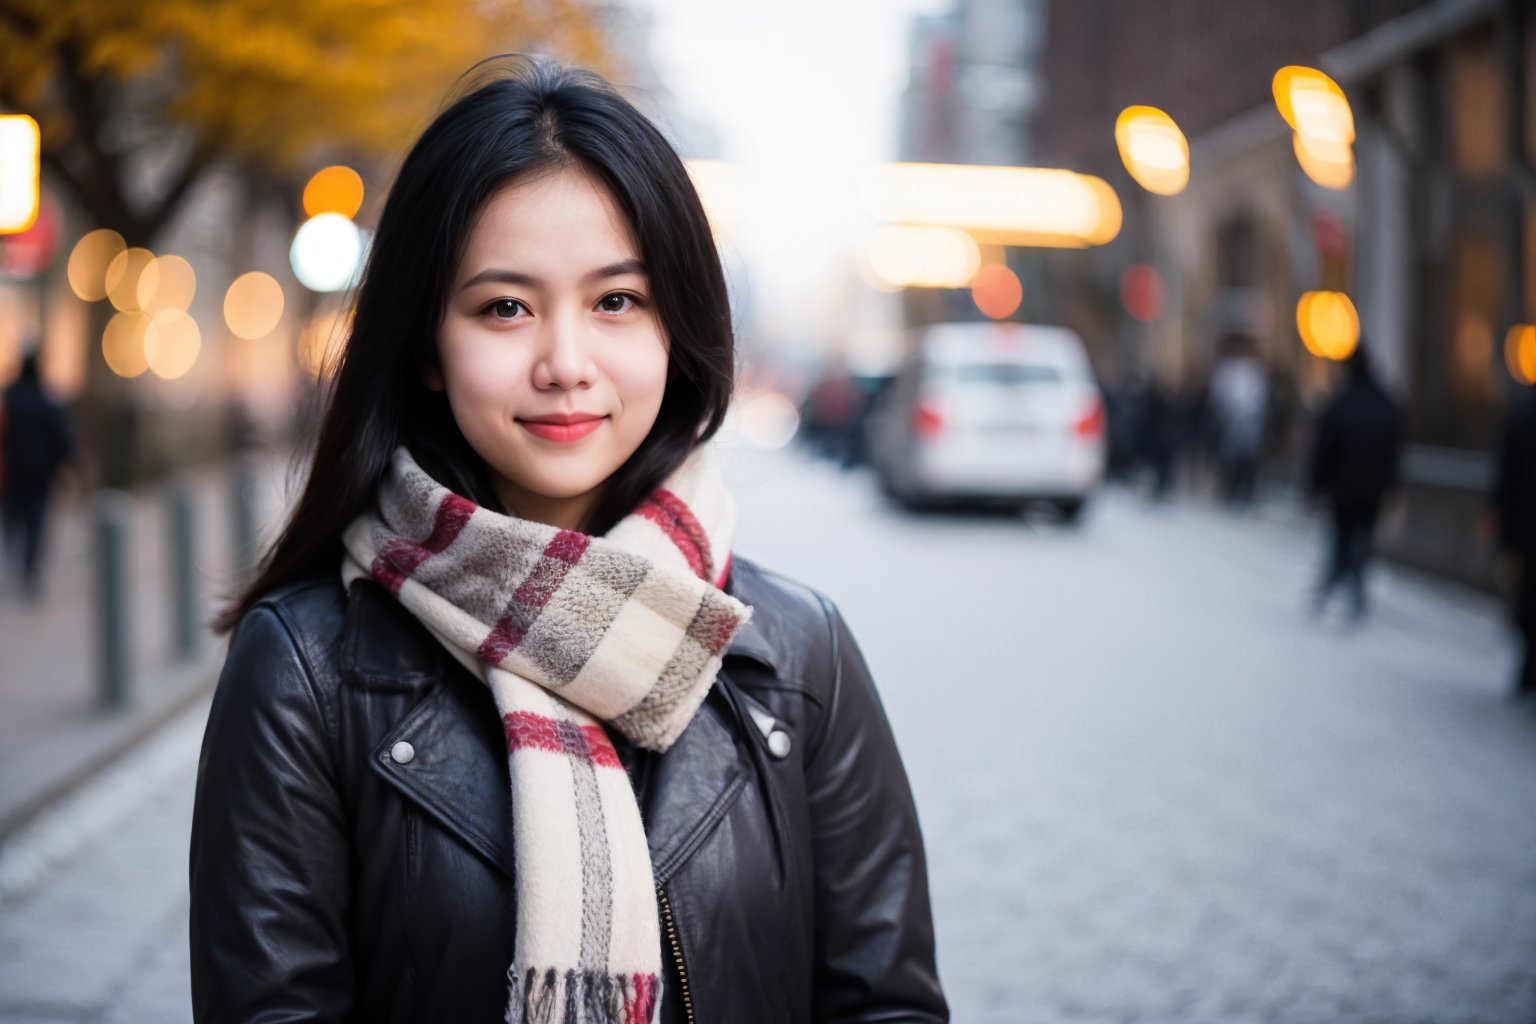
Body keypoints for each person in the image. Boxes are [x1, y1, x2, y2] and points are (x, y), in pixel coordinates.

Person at [189, 58, 947, 1024]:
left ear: (677, 331)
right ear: (427, 345)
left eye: (616, 302)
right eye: (504, 307)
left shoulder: (797, 655)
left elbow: (885, 1004)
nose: (565, 364)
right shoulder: (305, 671)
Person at [1308, 343, 1404, 620]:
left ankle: (1336, 582)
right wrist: (1393, 487)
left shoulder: (1341, 403)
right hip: (1372, 489)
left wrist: (1315, 485)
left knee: (1341, 536)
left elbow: (1324, 448)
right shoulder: (1385, 404)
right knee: (1361, 538)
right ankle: (1351, 587)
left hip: (1343, 487)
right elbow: (1394, 451)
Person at [1, 349, 74, 600]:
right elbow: (61, 435)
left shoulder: (9, 396)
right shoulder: (46, 399)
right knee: (35, 522)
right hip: (40, 473)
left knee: (11, 520)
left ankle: (11, 561)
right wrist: (67, 463)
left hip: (11, 472)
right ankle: (28, 569)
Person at [1488, 389, 1536, 699]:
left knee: (1525, 601)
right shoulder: (1521, 414)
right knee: (1525, 600)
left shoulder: (1520, 412)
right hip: (1524, 526)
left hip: (1522, 526)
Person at [1208, 334, 1270, 505]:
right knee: (1230, 458)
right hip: (1231, 422)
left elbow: (1260, 399)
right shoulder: (1227, 370)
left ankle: (1243, 490)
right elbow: (1220, 397)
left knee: (1246, 459)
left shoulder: (1255, 371)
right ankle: (1230, 488)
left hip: (1250, 422)